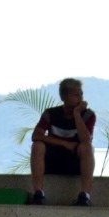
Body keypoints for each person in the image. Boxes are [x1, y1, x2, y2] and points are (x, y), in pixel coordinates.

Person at [30, 77, 96, 206]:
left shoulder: (88, 115)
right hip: (53, 160)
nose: (81, 98)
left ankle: (84, 196)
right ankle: (38, 193)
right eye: (76, 95)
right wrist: (65, 143)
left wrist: (77, 114)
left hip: (76, 162)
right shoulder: (50, 114)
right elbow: (36, 136)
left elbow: (85, 139)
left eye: (81, 94)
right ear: (63, 96)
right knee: (37, 146)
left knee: (87, 147)